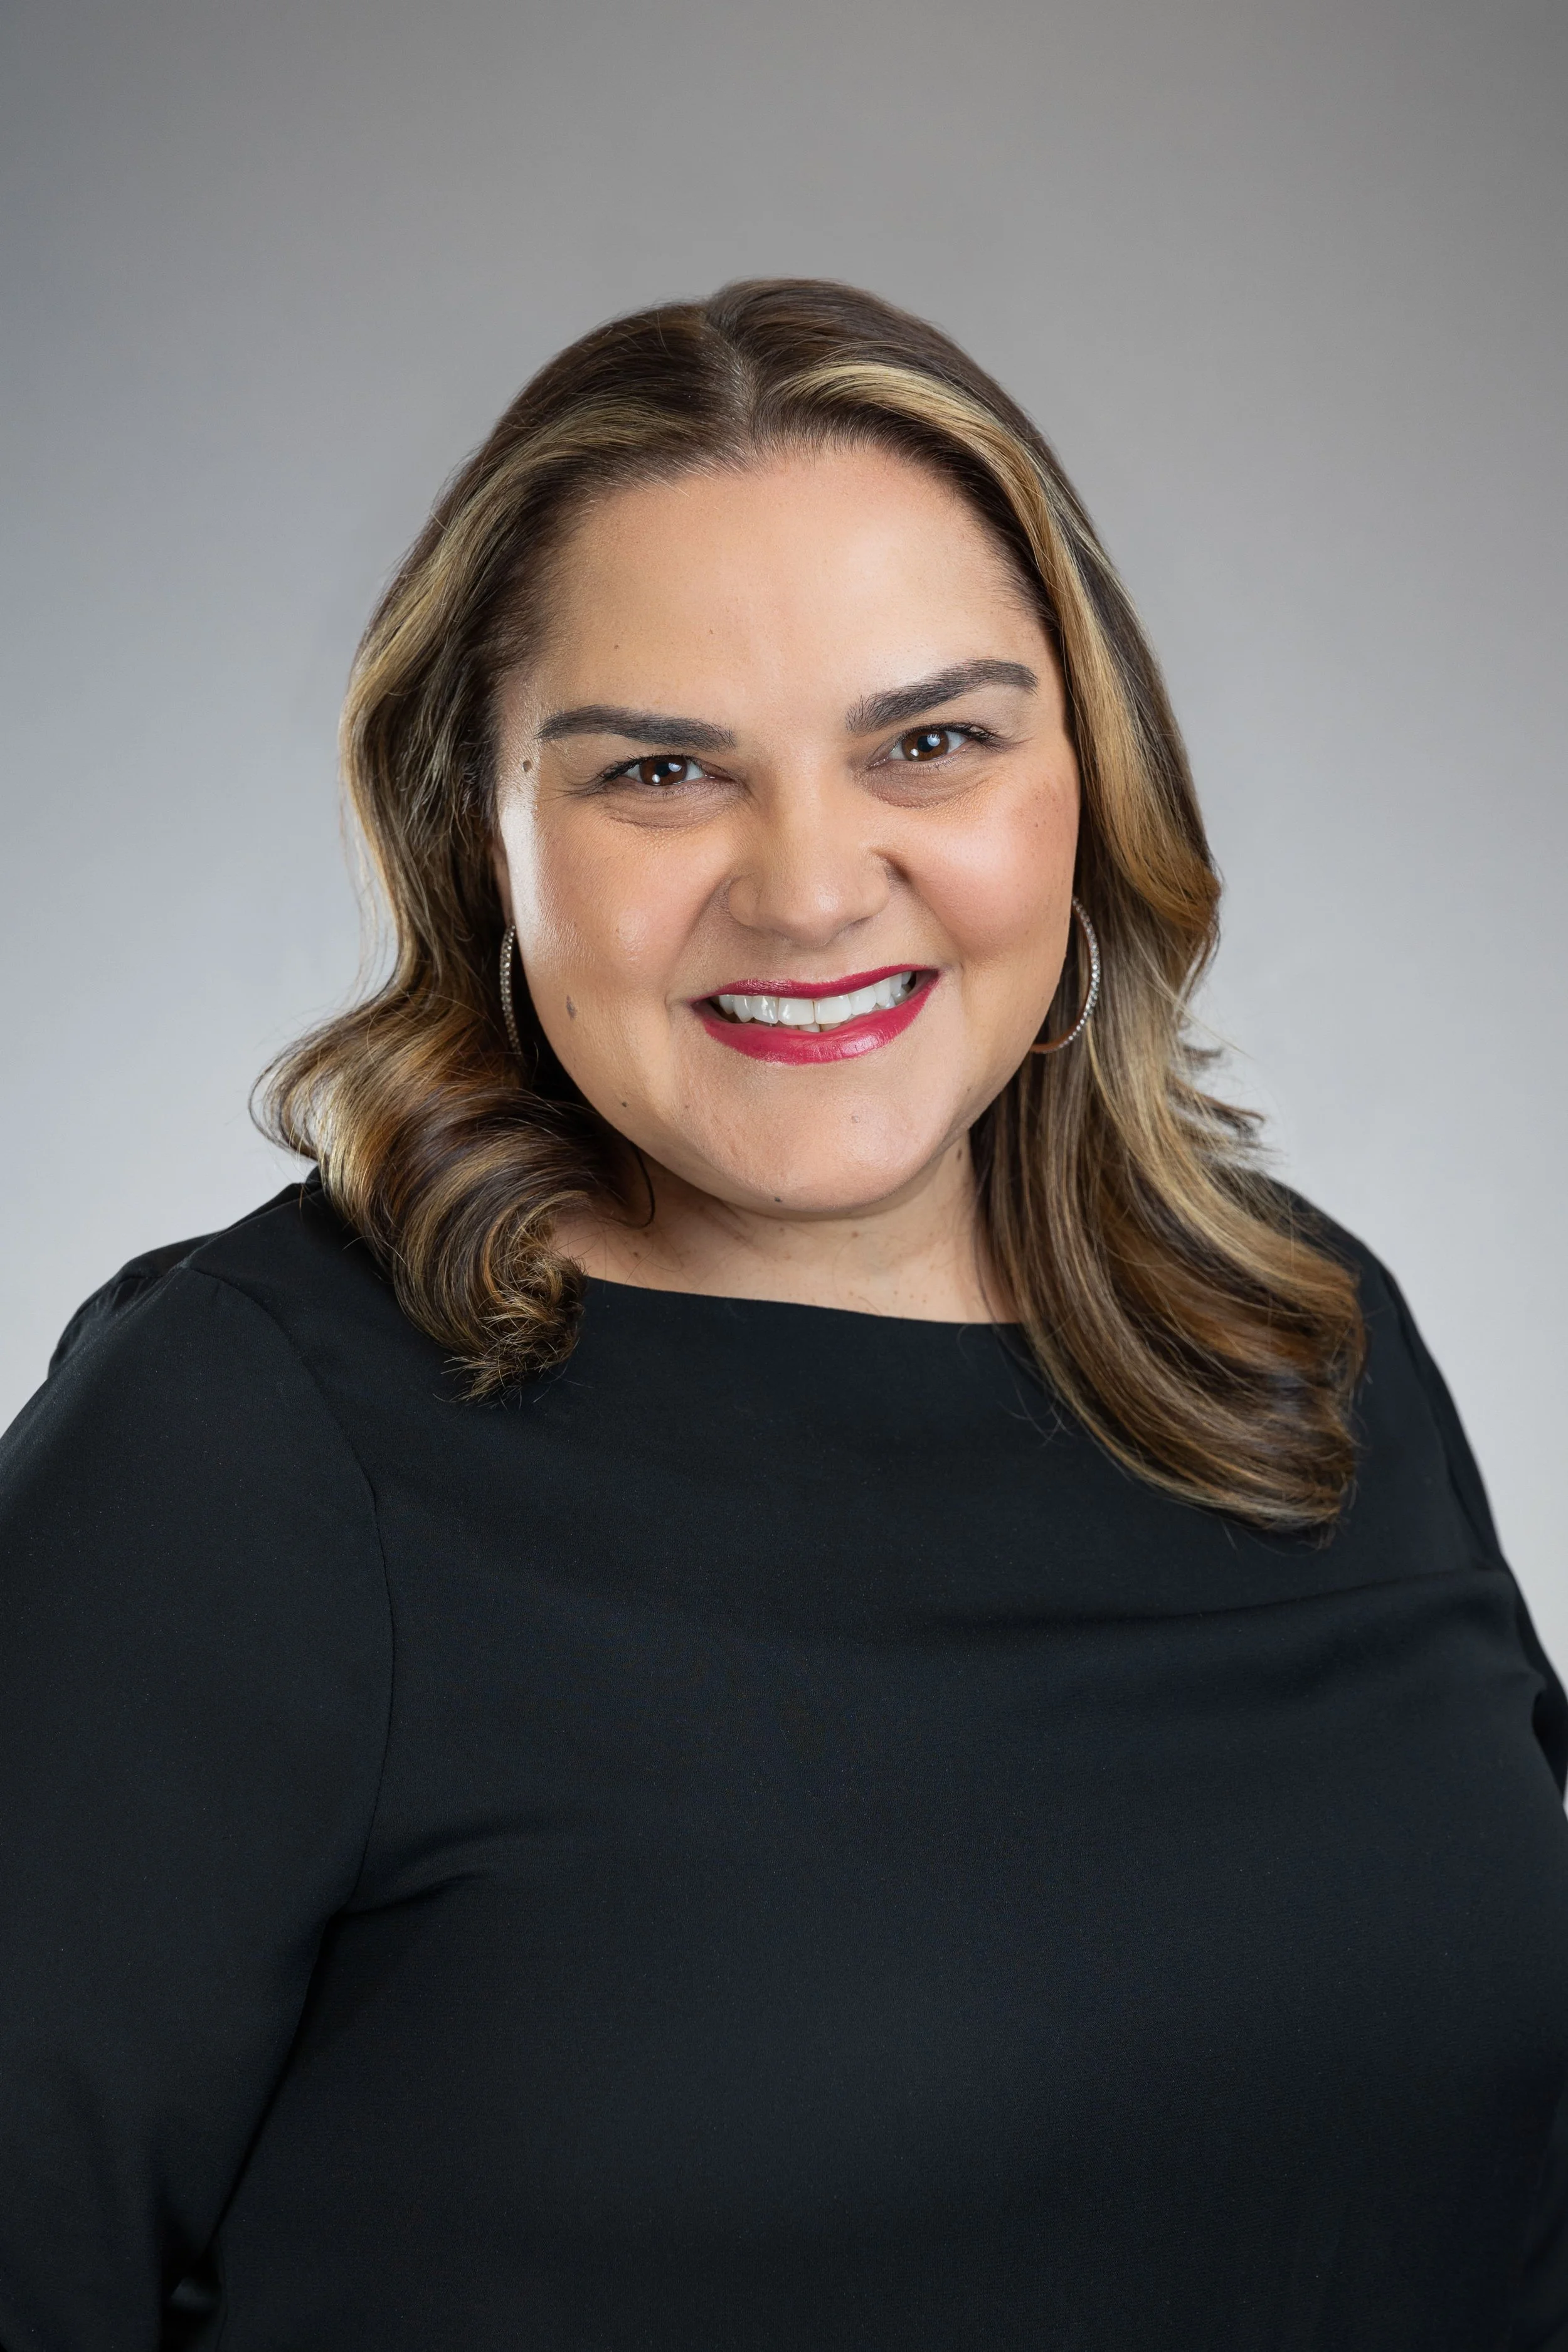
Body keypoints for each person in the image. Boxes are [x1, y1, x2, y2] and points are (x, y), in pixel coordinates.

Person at [1, 278, 1564, 2352]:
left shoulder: (1288, 1328)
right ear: (480, 835)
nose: (810, 885)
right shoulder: (241, 1445)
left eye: (929, 739)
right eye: (660, 769)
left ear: (1084, 775)